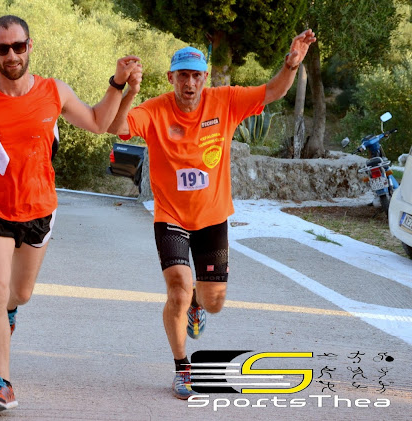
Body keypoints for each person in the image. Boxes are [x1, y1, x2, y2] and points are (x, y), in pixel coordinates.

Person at [0, 15, 142, 413]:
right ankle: (1, 384)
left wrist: (117, 84)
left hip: (38, 209)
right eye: (2, 48)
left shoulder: (54, 91)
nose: (11, 55)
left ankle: (11, 311)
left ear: (29, 46)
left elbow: (99, 123)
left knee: (19, 293)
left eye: (18, 46)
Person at [108, 29, 316, 399]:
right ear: (171, 77)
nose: (189, 83)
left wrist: (291, 64)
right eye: (182, 76)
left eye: (196, 76)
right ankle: (182, 368)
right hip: (171, 216)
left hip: (212, 218)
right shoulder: (155, 110)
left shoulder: (225, 101)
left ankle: (197, 305)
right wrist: (130, 91)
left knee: (214, 302)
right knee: (177, 286)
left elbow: (272, 92)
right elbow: (116, 126)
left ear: (205, 77)